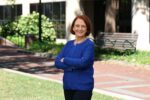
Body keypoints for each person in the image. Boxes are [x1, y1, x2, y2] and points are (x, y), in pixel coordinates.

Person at [55, 15, 94, 100]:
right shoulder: (68, 44)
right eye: (77, 26)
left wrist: (65, 59)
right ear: (73, 28)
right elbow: (57, 62)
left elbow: (83, 63)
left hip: (83, 87)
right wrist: (74, 66)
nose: (80, 29)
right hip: (68, 85)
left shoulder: (89, 45)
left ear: (87, 29)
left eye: (83, 26)